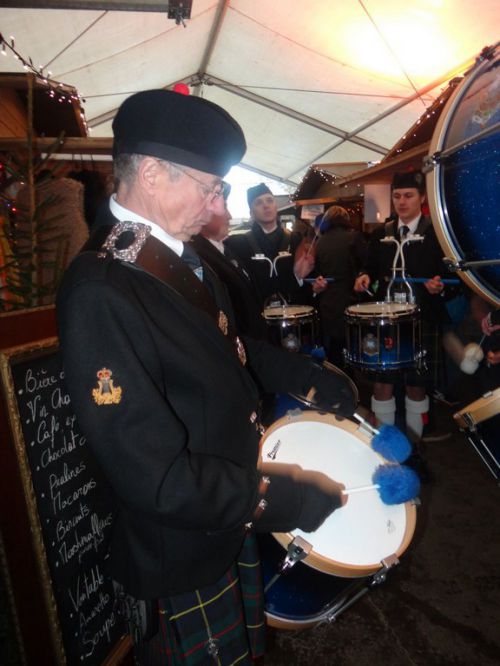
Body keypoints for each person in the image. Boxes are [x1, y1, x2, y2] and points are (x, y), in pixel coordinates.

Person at [56, 89, 356, 665]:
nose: (218, 203)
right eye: (210, 185)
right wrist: (281, 498)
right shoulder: (101, 289)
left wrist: (311, 378)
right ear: (150, 174)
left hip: (222, 522)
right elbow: (156, 477)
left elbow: (226, 347)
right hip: (184, 547)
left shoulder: (182, 255)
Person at [354, 171, 453, 445]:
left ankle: (415, 449)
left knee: (416, 386)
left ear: (421, 198)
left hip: (423, 320)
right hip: (387, 321)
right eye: (397, 196)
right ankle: (386, 449)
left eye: (408, 196)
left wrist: (440, 286)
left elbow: (451, 275)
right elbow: (370, 267)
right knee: (382, 385)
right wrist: (365, 276)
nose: (401, 201)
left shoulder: (437, 234)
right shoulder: (381, 234)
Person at [190, 188, 268, 340]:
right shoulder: (199, 256)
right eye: (225, 208)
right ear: (206, 212)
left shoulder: (224, 250)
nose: (230, 216)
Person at [224, 183, 313, 307]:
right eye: (258, 203)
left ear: (276, 206)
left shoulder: (296, 241)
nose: (266, 205)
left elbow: (308, 284)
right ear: (251, 212)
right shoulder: (237, 245)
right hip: (257, 318)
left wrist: (314, 286)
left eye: (269, 200)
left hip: (293, 316)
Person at [310, 205, 368, 367]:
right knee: (353, 348)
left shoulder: (319, 242)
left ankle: (338, 383)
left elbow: (316, 272)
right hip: (351, 298)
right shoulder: (353, 237)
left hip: (327, 300)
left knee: (334, 350)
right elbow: (366, 265)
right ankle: (354, 387)